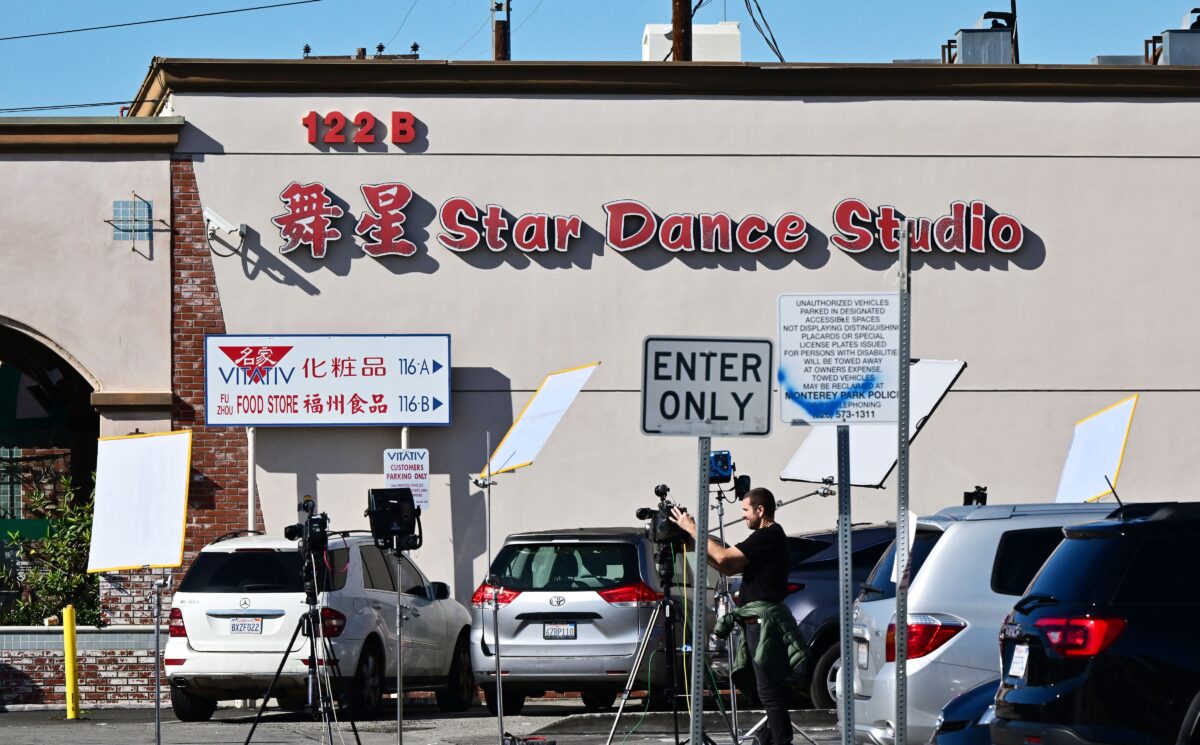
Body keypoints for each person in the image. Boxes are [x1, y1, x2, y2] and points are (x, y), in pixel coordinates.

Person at [670, 487, 802, 745]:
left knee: (768, 690)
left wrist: (694, 529)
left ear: (760, 510)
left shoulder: (768, 535)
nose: (742, 516)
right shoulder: (767, 538)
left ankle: (781, 740)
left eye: (745, 510)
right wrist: (696, 542)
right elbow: (727, 566)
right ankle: (768, 738)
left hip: (764, 623)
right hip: (757, 622)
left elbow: (723, 555)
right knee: (764, 689)